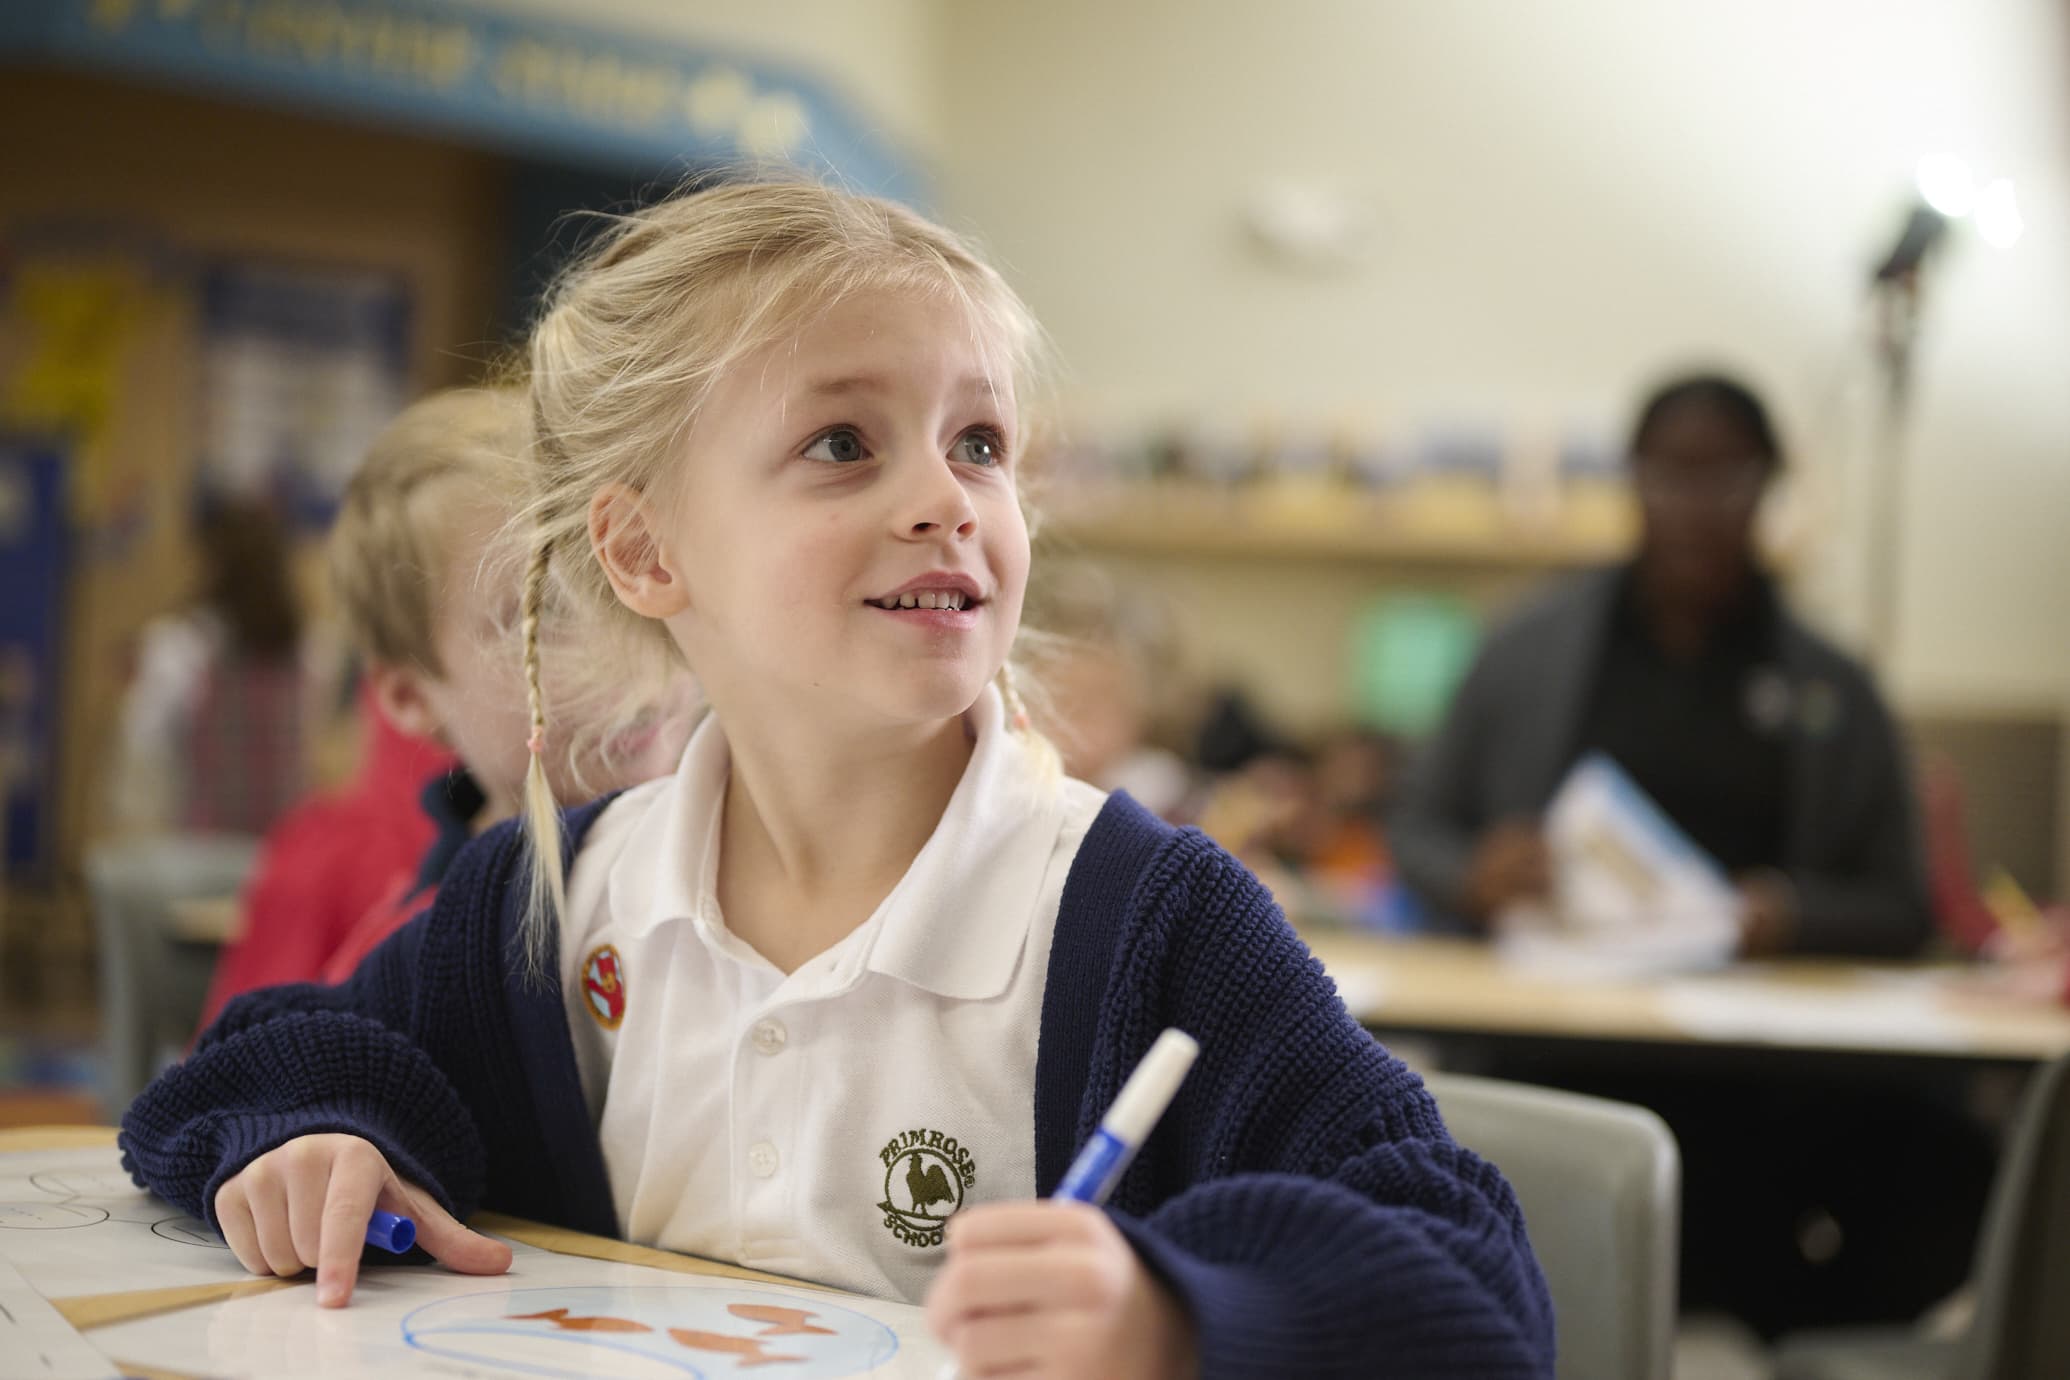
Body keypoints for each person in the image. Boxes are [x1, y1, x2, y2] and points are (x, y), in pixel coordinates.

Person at [120, 180, 1553, 1379]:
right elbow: (268, 1056)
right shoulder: (552, 896)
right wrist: (316, 1137)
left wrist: (1176, 1317)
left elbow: (1478, 1288)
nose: (944, 497)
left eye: (978, 443)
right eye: (841, 444)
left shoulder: (1143, 920)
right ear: (643, 553)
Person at [1391, 373, 1932, 959]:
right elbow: (1413, 829)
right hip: (1555, 1019)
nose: (1695, 509)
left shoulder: (1834, 687)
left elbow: (1904, 906)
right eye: (1670, 477)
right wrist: (1474, 875)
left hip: (1762, 1027)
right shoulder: (1525, 649)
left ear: (1768, 485)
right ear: (1633, 478)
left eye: (1725, 480)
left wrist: (1792, 915)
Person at [200, 388, 692, 1019]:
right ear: (410, 697)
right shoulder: (413, 967)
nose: (622, 653)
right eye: (542, 617)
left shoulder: (746, 859)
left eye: (630, 578)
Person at [110, 497, 316, 836]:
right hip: (282, 848)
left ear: (212, 564)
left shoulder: (181, 646)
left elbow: (141, 753)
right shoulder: (306, 651)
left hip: (201, 853)